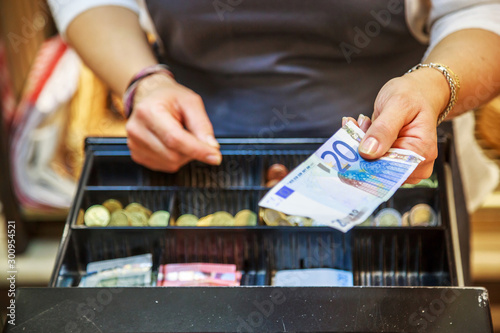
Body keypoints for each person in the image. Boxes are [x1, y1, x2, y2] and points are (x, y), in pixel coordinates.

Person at [47, 0, 500, 185]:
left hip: (402, 166)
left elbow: (480, 11)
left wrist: (432, 85)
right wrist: (142, 81)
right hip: (193, 157)